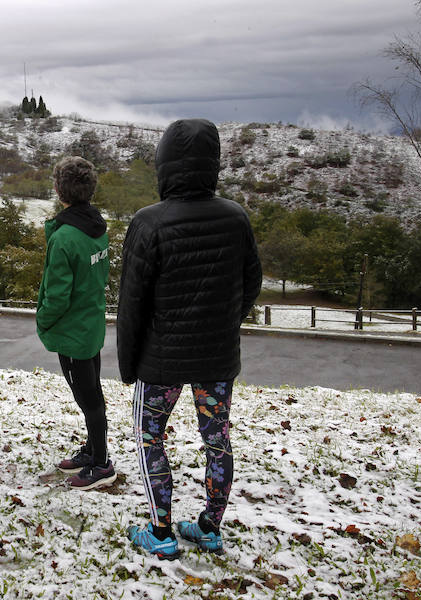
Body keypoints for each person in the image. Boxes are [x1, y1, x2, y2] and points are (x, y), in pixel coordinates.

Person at [118, 119, 262, 559]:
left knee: (150, 439)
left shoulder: (148, 222)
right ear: (212, 166)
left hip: (160, 361)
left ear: (164, 166)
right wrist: (225, 322)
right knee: (217, 441)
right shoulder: (235, 216)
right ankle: (208, 528)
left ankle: (160, 531)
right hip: (217, 358)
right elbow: (251, 281)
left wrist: (128, 364)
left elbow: (132, 303)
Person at [36, 156, 115, 490]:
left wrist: (43, 321)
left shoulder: (65, 237)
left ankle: (101, 464)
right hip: (91, 323)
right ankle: (92, 450)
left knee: (89, 398)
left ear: (58, 190)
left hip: (72, 332)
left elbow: (57, 296)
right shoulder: (96, 226)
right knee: (91, 392)